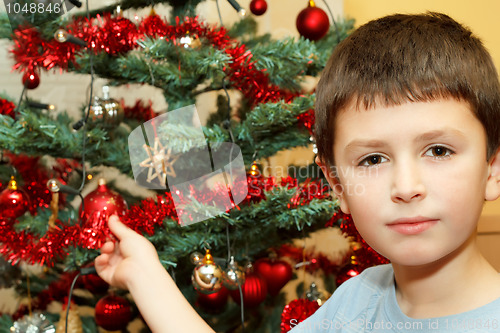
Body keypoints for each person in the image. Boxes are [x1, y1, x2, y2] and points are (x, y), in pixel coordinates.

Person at [95, 12, 500, 333]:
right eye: (373, 160)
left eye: (439, 150)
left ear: (493, 167)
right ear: (338, 185)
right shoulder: (356, 302)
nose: (407, 187)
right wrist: (142, 273)